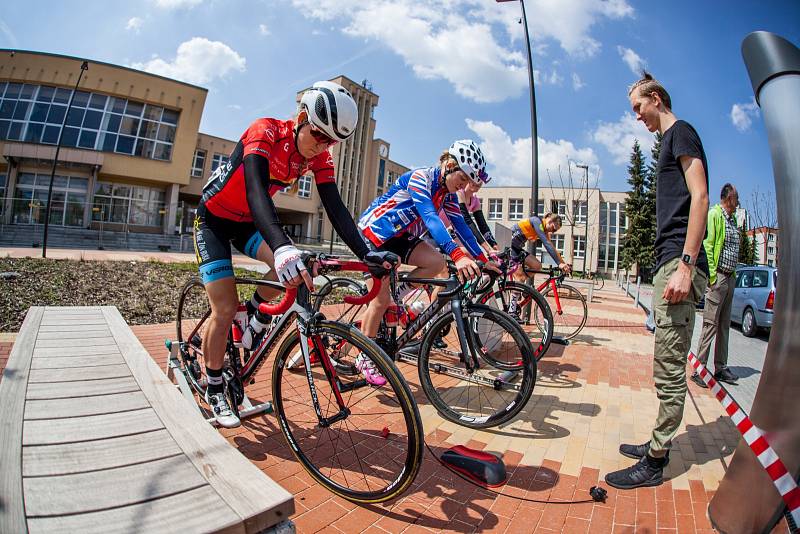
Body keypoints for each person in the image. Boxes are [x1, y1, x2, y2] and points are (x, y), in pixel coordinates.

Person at [194, 81, 396, 427]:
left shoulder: (319, 156)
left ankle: (255, 316)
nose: (324, 146)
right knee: (225, 308)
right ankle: (213, 384)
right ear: (302, 117)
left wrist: (367, 253)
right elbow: (256, 192)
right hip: (214, 220)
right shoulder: (265, 132)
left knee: (296, 265)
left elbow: (336, 208)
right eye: (320, 137)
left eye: (332, 142)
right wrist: (281, 245)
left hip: (247, 223)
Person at [605, 72, 709, 490]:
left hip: (679, 263)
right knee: (663, 363)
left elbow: (700, 197)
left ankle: (655, 461)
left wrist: (685, 265)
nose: (637, 117)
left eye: (638, 107)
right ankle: (656, 441)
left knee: (669, 370)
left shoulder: (681, 132)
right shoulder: (667, 141)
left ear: (656, 98)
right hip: (668, 262)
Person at [357, 140, 496, 381]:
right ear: (450, 166)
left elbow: (461, 226)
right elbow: (431, 219)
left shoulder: (448, 194)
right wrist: (458, 254)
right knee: (379, 301)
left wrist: (484, 258)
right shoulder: (420, 178)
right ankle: (364, 356)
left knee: (435, 263)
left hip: (400, 236)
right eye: (462, 180)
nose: (463, 186)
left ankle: (396, 294)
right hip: (375, 234)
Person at [691, 183, 741, 387]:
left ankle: (721, 367)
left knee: (724, 325)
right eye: (736, 198)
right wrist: (712, 277)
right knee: (710, 324)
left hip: (730, 277)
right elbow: (708, 245)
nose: (738, 202)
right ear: (728, 198)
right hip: (718, 277)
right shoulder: (714, 215)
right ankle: (699, 369)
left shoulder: (734, 219)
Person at [505, 213, 572, 319]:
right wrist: (559, 263)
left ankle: (522, 288)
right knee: (519, 278)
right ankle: (512, 310)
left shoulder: (543, 230)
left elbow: (552, 247)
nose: (552, 232)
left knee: (537, 265)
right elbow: (546, 244)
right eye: (554, 228)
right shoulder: (537, 221)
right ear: (549, 220)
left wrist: (562, 263)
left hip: (517, 248)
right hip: (509, 246)